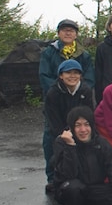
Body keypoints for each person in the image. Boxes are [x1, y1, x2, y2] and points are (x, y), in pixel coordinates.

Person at [39, 18, 95, 192]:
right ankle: (52, 176)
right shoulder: (49, 52)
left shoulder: (83, 54)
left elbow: (90, 77)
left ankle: (78, 173)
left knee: (81, 138)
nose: (68, 33)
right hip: (57, 99)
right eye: (64, 30)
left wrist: (79, 89)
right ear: (58, 33)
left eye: (72, 30)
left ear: (76, 34)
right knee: (52, 138)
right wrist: (58, 90)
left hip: (78, 97)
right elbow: (44, 75)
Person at [44, 60, 95, 145]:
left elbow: (89, 115)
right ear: (61, 75)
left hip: (80, 131)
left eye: (76, 73)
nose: (72, 76)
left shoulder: (86, 91)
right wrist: (64, 136)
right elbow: (53, 119)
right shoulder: (53, 93)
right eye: (68, 72)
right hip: (58, 132)